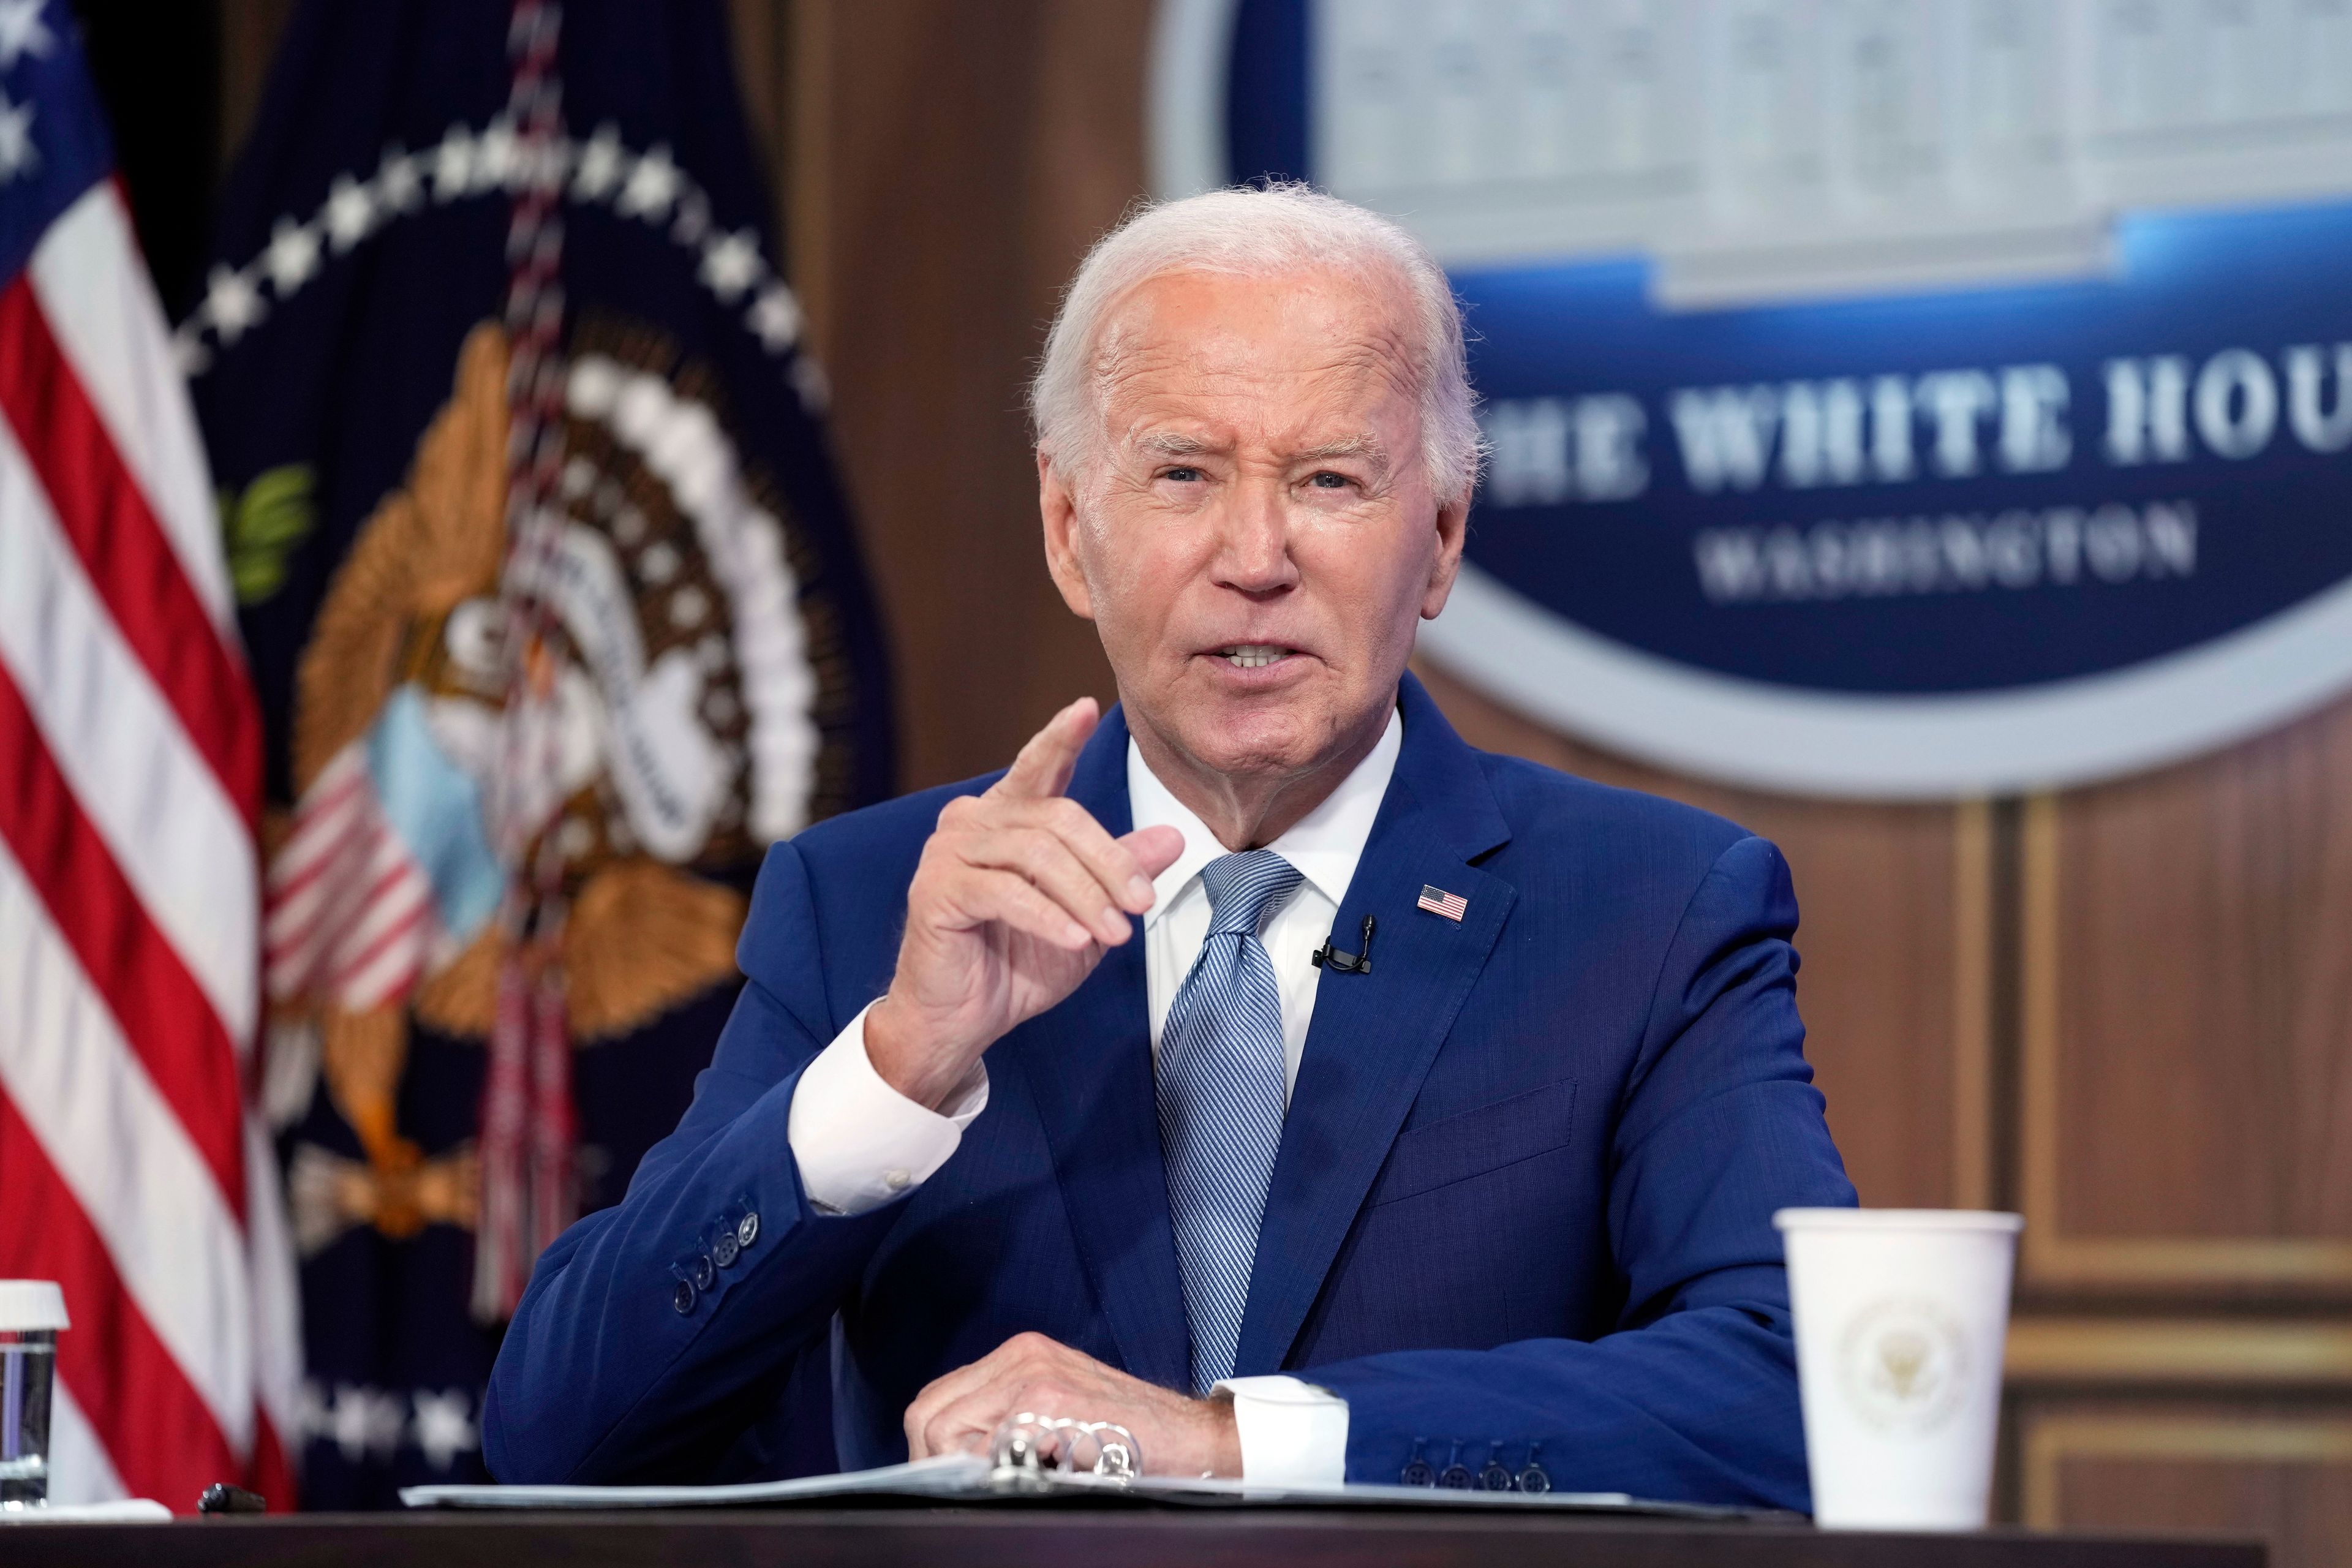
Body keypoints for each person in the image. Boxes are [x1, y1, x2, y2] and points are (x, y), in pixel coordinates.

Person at [483, 184, 1855, 1506]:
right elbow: (555, 1431)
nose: (1253, 554)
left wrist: (1234, 1439)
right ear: (1069, 529)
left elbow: (1796, 1389)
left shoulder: (1655, 910)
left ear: (1438, 538)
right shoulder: (864, 908)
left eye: (1328, 477)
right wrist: (897, 1065)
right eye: (1183, 472)